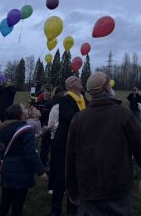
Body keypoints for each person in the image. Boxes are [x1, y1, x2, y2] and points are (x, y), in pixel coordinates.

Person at [66, 72, 141, 214]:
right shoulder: (124, 115)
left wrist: (72, 190)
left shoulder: (78, 119)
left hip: (89, 188)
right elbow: (140, 147)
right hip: (118, 189)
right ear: (106, 88)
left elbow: (70, 158)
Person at [0, 103, 47, 216]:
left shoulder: (5, 128)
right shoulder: (26, 130)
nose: (26, 110)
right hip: (21, 170)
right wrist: (41, 171)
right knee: (18, 205)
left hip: (7, 168)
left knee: (5, 202)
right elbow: (31, 153)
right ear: (20, 114)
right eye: (24, 108)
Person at [51, 76, 86, 216]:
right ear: (71, 85)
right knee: (61, 179)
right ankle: (56, 210)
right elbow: (72, 118)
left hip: (79, 144)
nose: (80, 81)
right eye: (77, 80)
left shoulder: (83, 99)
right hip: (64, 144)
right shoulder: (65, 100)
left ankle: (72, 210)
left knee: (75, 179)